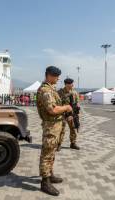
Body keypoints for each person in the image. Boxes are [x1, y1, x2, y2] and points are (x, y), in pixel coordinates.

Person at [36, 66, 72, 196]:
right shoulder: (45, 90)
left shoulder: (51, 89)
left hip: (55, 125)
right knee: (47, 153)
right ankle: (45, 182)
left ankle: (50, 175)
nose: (58, 78)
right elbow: (52, 110)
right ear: (49, 76)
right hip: (51, 126)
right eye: (56, 76)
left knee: (51, 152)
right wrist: (66, 107)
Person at [58, 78, 81, 151]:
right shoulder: (60, 92)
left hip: (72, 114)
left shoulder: (74, 92)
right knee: (61, 129)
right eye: (71, 84)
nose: (72, 85)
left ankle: (73, 143)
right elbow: (57, 104)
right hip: (62, 114)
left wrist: (77, 106)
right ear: (67, 84)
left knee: (73, 128)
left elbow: (77, 102)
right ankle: (58, 144)